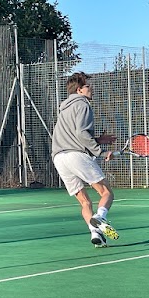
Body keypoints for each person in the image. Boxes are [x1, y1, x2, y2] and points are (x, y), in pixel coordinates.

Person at [51, 72, 119, 248]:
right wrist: (101, 152)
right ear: (80, 90)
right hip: (76, 156)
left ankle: (96, 234)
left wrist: (97, 140)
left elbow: (74, 136)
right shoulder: (83, 105)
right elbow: (81, 134)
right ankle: (99, 218)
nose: (91, 88)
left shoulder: (64, 108)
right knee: (106, 193)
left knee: (85, 202)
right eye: (88, 86)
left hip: (59, 158)